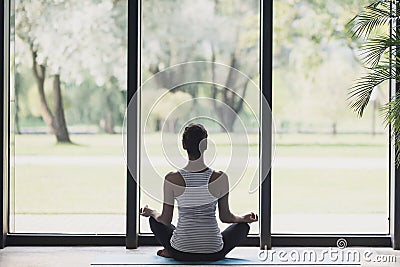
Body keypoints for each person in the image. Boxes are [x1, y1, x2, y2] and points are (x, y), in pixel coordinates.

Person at [139, 123, 258, 261]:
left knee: (154, 222)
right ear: (206, 145)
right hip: (214, 253)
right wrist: (243, 219)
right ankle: (200, 248)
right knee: (243, 228)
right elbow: (225, 217)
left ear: (184, 146)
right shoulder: (220, 178)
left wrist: (151, 212)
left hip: (180, 252)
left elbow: (165, 220)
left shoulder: (172, 178)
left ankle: (170, 251)